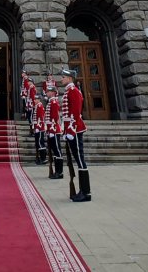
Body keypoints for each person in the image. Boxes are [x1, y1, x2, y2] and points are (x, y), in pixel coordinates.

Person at [61, 68, 90, 202]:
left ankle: (85, 192)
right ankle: (82, 191)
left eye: (63, 77)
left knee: (80, 160)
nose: (62, 79)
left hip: (76, 129)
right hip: (71, 129)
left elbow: (76, 112)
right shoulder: (69, 91)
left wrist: (71, 129)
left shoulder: (74, 92)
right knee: (77, 159)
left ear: (70, 78)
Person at [44, 81, 63, 179]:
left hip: (54, 130)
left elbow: (55, 117)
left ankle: (59, 172)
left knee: (57, 151)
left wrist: (51, 130)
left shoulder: (54, 102)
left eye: (48, 91)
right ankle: (57, 171)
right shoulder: (51, 102)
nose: (46, 93)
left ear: (52, 92)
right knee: (54, 151)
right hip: (51, 130)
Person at [32, 92, 47, 165]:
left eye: (36, 99)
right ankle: (39, 158)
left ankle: (43, 159)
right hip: (37, 127)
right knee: (38, 143)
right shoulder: (37, 106)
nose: (34, 100)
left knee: (41, 143)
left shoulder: (40, 106)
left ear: (39, 99)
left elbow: (41, 118)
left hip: (40, 128)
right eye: (34, 99)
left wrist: (38, 127)